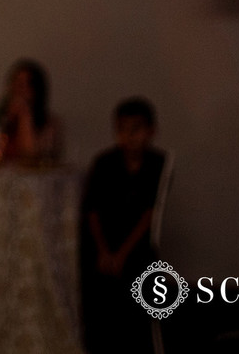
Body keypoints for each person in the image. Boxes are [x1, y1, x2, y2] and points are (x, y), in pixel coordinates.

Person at [79, 96, 165, 354]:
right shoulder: (105, 163)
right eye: (122, 129)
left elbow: (150, 214)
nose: (129, 136)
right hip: (104, 245)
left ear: (150, 131)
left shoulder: (158, 165)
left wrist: (122, 254)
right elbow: (92, 211)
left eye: (135, 129)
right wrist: (105, 252)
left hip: (137, 250)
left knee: (138, 309)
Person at [0, 58, 61, 164]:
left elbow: (30, 157)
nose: (19, 90)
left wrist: (24, 117)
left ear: (36, 90)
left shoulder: (49, 124)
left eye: (25, 85)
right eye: (16, 83)